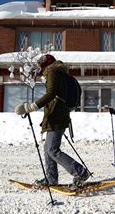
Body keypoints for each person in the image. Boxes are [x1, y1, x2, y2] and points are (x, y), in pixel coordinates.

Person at [14, 54, 90, 189]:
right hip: (58, 114)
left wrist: (31, 107)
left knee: (52, 149)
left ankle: (80, 173)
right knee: (48, 149)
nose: (40, 70)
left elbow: (51, 93)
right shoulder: (63, 75)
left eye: (40, 67)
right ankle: (51, 179)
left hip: (56, 115)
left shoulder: (52, 72)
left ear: (44, 65)